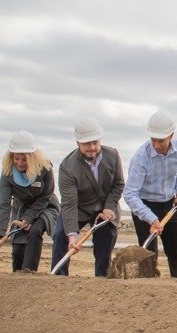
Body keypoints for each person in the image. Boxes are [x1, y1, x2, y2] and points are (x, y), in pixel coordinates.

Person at [53, 117, 125, 277]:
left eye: (95, 142)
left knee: (106, 237)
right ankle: (58, 278)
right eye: (87, 144)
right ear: (78, 143)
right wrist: (72, 237)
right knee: (60, 235)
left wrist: (109, 207)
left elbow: (118, 184)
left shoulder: (113, 155)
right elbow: (69, 203)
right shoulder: (67, 166)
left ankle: (102, 277)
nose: (92, 147)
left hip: (105, 208)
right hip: (79, 207)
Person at [124, 111, 177, 278]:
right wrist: (151, 219)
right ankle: (149, 286)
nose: (156, 145)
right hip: (144, 205)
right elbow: (130, 194)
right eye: (153, 140)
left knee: (176, 251)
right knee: (148, 255)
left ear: (171, 136)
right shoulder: (141, 157)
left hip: (169, 204)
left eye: (161, 141)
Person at [0, 130, 59, 272]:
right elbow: (4, 203)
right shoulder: (7, 173)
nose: (19, 163)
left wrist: (29, 217)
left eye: (24, 159)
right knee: (18, 249)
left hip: (45, 206)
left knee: (34, 232)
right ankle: (17, 275)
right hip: (22, 209)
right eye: (16, 159)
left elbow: (46, 196)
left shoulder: (45, 168)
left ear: (32, 158)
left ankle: (29, 273)